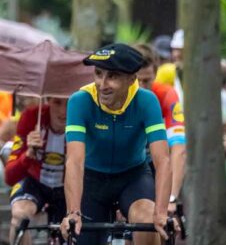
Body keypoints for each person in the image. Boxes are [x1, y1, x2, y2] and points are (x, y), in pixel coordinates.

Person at [61, 43, 171, 245]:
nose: (102, 84)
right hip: (92, 181)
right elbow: (75, 161)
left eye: (112, 76)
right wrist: (73, 211)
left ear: (131, 79)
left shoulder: (147, 101)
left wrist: (161, 212)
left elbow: (163, 160)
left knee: (147, 220)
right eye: (98, 73)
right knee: (80, 233)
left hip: (133, 177)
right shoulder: (79, 101)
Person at [5, 97, 68, 245]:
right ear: (48, 100)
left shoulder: (82, 118)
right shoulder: (31, 117)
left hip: (68, 186)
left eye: (70, 103)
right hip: (35, 182)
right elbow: (9, 177)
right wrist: (27, 155)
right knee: (19, 216)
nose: (63, 111)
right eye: (57, 102)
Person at [134, 44, 186, 215]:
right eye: (136, 80)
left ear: (156, 74)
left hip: (152, 164)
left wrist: (171, 197)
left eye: (147, 80)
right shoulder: (116, 94)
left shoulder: (166, 94)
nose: (141, 86)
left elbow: (179, 148)